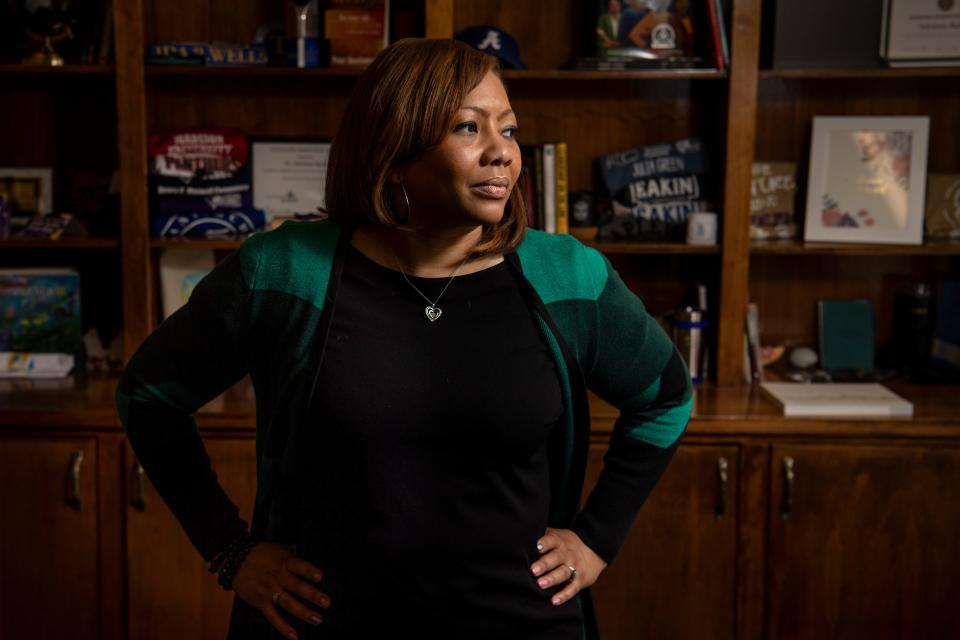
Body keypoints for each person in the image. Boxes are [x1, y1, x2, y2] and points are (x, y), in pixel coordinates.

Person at [116, 38, 692, 640]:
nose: (503, 153)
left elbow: (667, 397)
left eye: (510, 129)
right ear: (392, 150)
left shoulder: (568, 277)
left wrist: (597, 539)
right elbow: (149, 396)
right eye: (469, 128)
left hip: (518, 624)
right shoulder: (284, 271)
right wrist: (230, 551)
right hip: (322, 626)